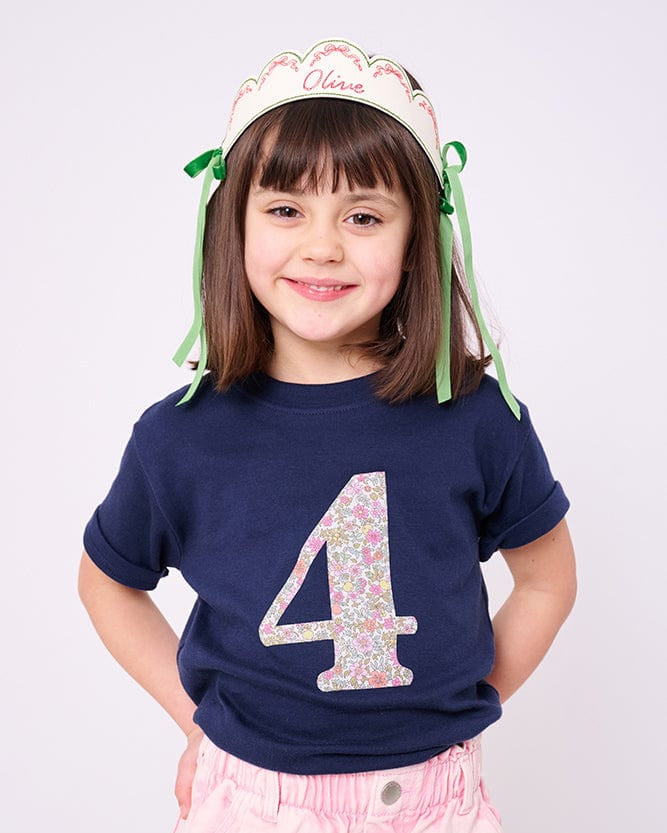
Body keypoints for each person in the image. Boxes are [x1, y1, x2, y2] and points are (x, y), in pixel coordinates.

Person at [78, 37, 577, 833]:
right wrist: (196, 720)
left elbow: (548, 578)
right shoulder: (181, 436)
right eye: (285, 209)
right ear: (230, 225)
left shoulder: (478, 417)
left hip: (435, 803)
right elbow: (107, 579)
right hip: (252, 804)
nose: (322, 244)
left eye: (364, 215)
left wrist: (461, 704)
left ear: (416, 239)